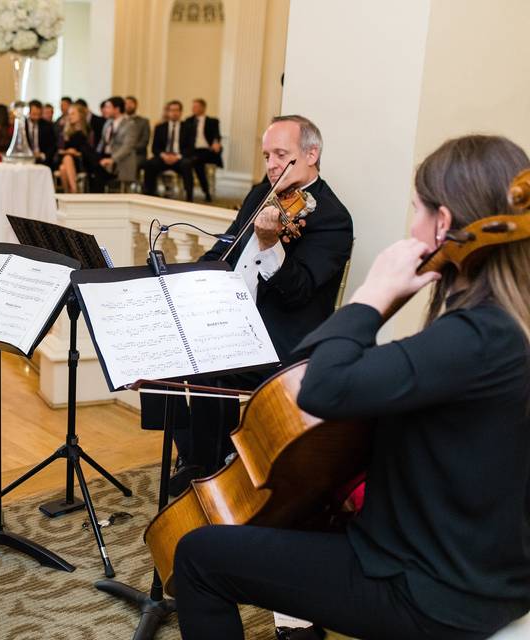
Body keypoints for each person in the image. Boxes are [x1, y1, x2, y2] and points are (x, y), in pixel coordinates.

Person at [173, 133, 530, 640]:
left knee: (198, 556)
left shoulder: (476, 336)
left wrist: (372, 296)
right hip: (480, 566)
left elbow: (321, 386)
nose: (412, 224)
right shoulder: (505, 327)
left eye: (416, 209)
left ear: (443, 224)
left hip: (431, 588)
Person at [141, 115, 353, 490]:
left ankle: (211, 469)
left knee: (212, 360)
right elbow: (225, 246)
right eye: (267, 155)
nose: (271, 164)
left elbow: (300, 289)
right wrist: (183, 279)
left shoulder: (332, 218)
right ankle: (195, 452)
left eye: (280, 154)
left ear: (311, 154)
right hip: (232, 319)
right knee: (159, 343)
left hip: (281, 339)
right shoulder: (262, 194)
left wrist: (272, 245)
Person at [142, 100, 195, 201]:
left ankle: (189, 197)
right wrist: (164, 155)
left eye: (177, 110)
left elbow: (190, 148)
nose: (174, 113)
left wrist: (177, 156)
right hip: (164, 157)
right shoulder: (160, 127)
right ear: (168, 112)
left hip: (179, 158)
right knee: (149, 164)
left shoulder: (188, 127)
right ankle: (149, 194)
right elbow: (155, 148)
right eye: (171, 110)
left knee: (187, 164)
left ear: (181, 112)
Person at [89, 96, 141, 192]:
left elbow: (128, 146)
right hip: (106, 158)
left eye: (108, 107)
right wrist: (96, 157)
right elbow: (103, 142)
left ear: (117, 109)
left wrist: (112, 159)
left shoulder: (130, 124)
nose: (105, 110)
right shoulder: (108, 123)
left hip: (121, 160)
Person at [183, 97, 223, 201]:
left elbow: (216, 135)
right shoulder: (188, 121)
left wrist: (216, 142)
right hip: (193, 152)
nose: (193, 108)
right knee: (196, 163)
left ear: (203, 108)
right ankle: (206, 192)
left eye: (196, 106)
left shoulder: (212, 121)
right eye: (193, 106)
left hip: (207, 151)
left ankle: (190, 195)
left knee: (193, 162)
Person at [54, 103, 95, 193]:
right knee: (65, 163)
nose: (70, 116)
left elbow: (90, 151)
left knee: (63, 167)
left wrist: (76, 153)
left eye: (73, 114)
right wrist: (68, 151)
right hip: (66, 159)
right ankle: (73, 191)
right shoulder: (65, 132)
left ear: (80, 115)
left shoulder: (88, 131)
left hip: (81, 160)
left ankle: (71, 192)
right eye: (69, 114)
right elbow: (59, 150)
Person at [25, 98, 57, 167]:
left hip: (43, 159)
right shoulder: (22, 125)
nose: (36, 117)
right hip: (26, 158)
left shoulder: (47, 126)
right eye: (34, 114)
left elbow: (52, 145)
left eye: (39, 114)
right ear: (28, 112)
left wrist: (42, 155)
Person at [125, 95, 151, 171]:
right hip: (120, 153)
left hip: (137, 154)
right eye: (126, 103)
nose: (128, 105)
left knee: (132, 164)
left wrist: (129, 150)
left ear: (136, 105)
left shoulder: (144, 121)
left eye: (131, 103)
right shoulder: (120, 121)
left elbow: (144, 141)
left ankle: (133, 183)